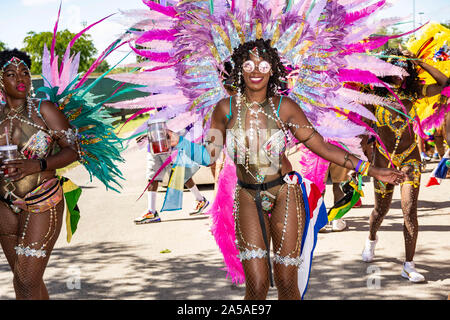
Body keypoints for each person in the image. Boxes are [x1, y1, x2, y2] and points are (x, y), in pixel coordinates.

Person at [168, 39, 405, 300]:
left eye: (263, 64)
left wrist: (371, 170)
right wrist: (178, 143)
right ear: (239, 68)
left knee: (286, 282)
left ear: (273, 69)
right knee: (256, 286)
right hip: (246, 196)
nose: (256, 70)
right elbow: (210, 154)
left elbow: (323, 147)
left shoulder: (285, 108)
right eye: (249, 64)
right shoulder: (224, 109)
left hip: (284, 193)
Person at [362, 48, 449, 282]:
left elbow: (445, 82)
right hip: (383, 161)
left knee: (409, 211)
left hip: (410, 160)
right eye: (394, 70)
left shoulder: (413, 94)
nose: (400, 75)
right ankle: (371, 238)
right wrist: (362, 156)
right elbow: (360, 127)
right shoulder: (373, 98)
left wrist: (419, 61)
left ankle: (408, 265)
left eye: (404, 69)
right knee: (380, 211)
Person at [0, 49, 79, 299]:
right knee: (24, 283)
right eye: (12, 74)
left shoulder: (44, 110)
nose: (21, 78)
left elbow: (74, 151)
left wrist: (37, 165)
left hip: (42, 201)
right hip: (4, 206)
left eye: (25, 72)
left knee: (26, 281)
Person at [133, 130, 209, 224]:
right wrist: (147, 134)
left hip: (169, 145)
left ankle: (200, 199)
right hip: (153, 146)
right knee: (151, 176)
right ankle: (151, 212)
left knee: (180, 174)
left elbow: (175, 123)